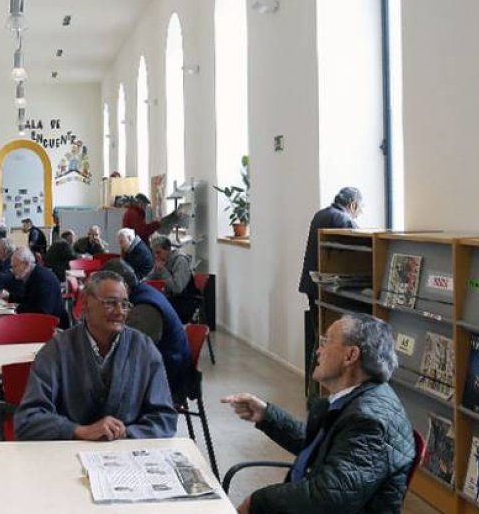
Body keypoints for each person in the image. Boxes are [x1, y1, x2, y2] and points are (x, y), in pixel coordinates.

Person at [221, 314, 414, 514]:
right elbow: (322, 445)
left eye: (326, 342)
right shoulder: (355, 399)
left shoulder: (370, 420)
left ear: (350, 356)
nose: (318, 350)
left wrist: (258, 501)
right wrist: (268, 416)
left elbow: (329, 496)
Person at [15, 270, 177, 441]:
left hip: (126, 454)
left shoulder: (144, 349)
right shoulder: (57, 350)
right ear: (85, 303)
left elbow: (164, 418)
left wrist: (124, 434)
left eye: (124, 304)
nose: (119, 312)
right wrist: (79, 431)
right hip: (67, 455)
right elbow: (27, 419)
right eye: (110, 303)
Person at [298, 187, 362, 390]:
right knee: (330, 341)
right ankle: (325, 387)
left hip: (313, 285)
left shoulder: (321, 214)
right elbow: (359, 240)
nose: (358, 214)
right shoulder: (343, 219)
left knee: (320, 337)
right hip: (330, 291)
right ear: (352, 204)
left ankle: (313, 389)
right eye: (359, 209)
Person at [102, 259, 192, 401]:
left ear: (123, 286)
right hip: (159, 366)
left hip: (166, 377)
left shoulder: (145, 309)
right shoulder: (139, 294)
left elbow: (130, 350)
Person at [5, 247, 68, 328]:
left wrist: (17, 307)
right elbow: (29, 299)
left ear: (26, 264)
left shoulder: (43, 279)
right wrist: (10, 298)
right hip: (41, 323)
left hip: (54, 328)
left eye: (15, 266)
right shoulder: (33, 274)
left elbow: (42, 313)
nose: (12, 270)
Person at [146, 234, 198, 324]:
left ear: (168, 250)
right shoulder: (162, 260)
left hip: (182, 303)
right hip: (168, 299)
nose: (155, 256)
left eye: (158, 252)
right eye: (153, 252)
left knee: (151, 311)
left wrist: (162, 270)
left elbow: (177, 288)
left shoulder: (180, 261)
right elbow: (149, 280)